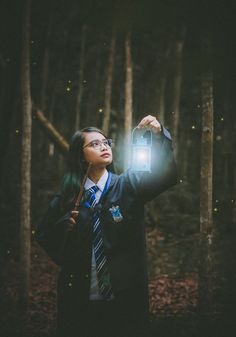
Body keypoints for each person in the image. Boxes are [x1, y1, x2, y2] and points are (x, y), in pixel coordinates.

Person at [35, 115, 177, 337]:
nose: (103, 146)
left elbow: (165, 175)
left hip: (123, 300)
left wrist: (158, 136)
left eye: (105, 142)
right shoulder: (68, 198)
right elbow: (43, 235)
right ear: (80, 156)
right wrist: (64, 226)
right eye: (94, 144)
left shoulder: (128, 186)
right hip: (79, 301)